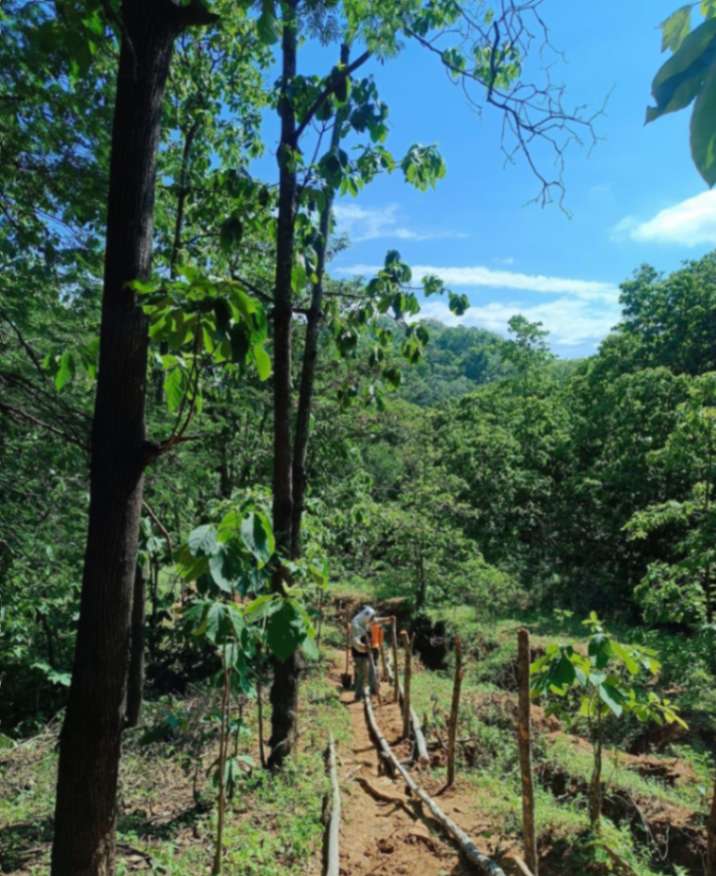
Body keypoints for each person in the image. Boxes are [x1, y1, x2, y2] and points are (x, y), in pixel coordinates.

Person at [350, 606, 392, 700]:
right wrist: (364, 647)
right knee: (362, 673)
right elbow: (356, 642)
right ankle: (358, 695)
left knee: (371, 671)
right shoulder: (356, 624)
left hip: (367, 650)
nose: (372, 620)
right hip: (358, 652)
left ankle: (372, 691)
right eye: (371, 617)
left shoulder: (365, 620)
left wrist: (387, 619)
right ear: (366, 616)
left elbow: (376, 621)